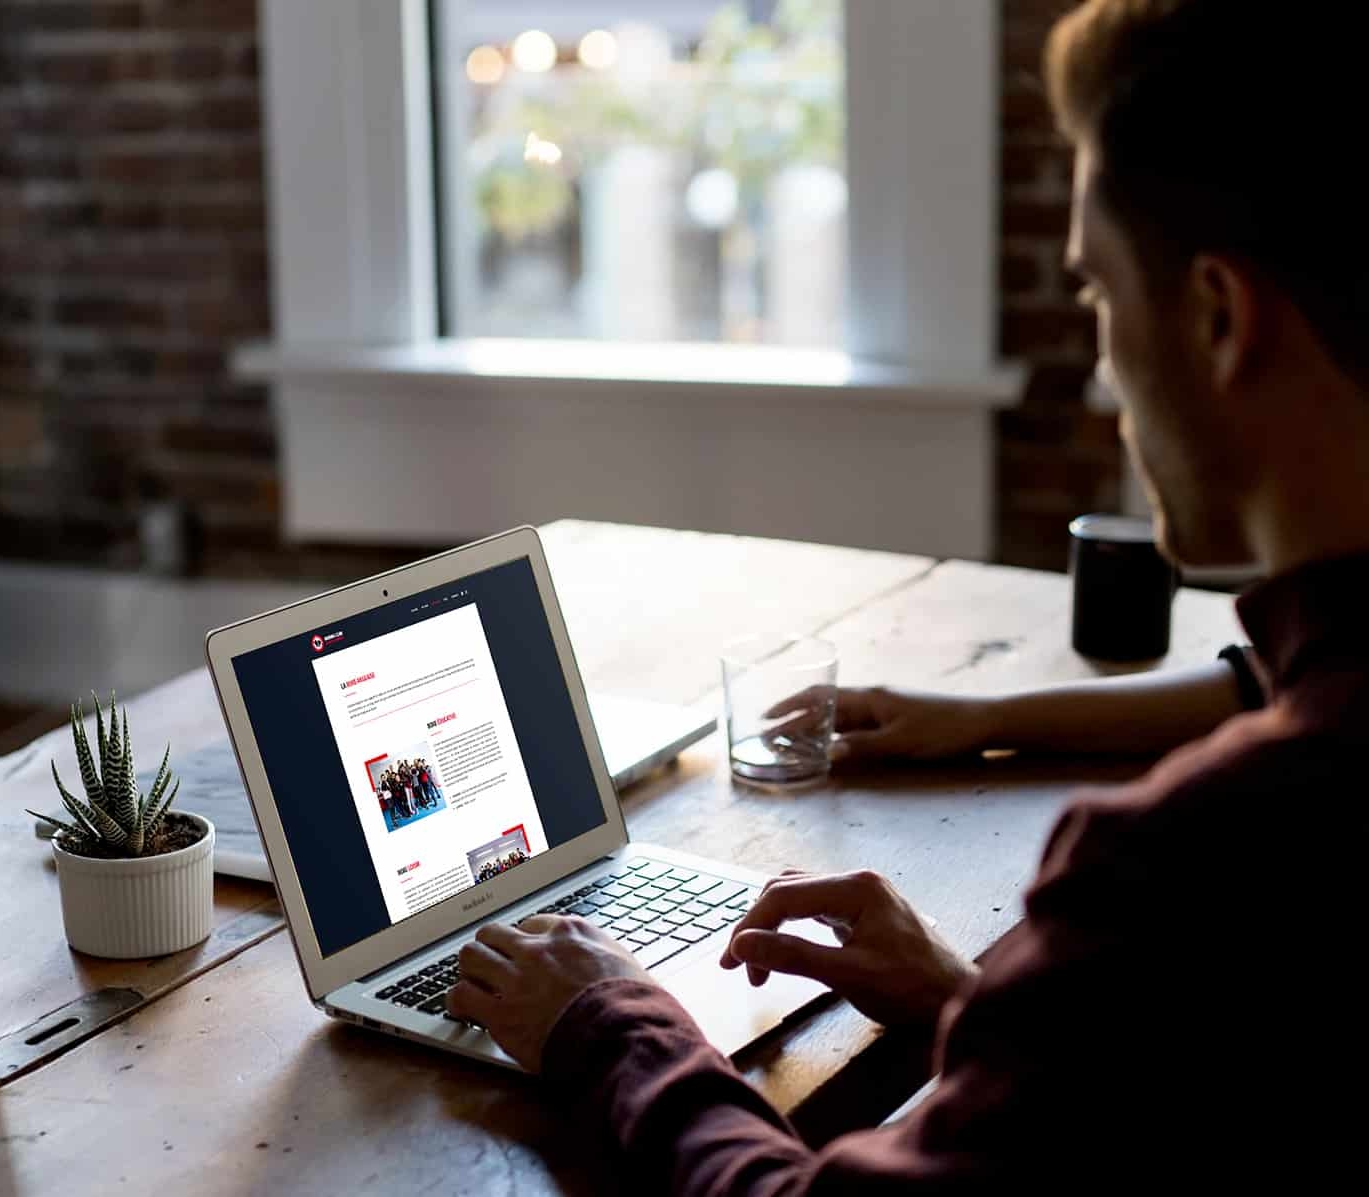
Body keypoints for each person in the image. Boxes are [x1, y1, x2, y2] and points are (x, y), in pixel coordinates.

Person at [449, 2, 1368, 1188]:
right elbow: (1181, 1095)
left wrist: (612, 1020)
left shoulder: (1191, 867)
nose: (1101, 372)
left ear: (1216, 318)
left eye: (1096, 294)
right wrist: (977, 1003)